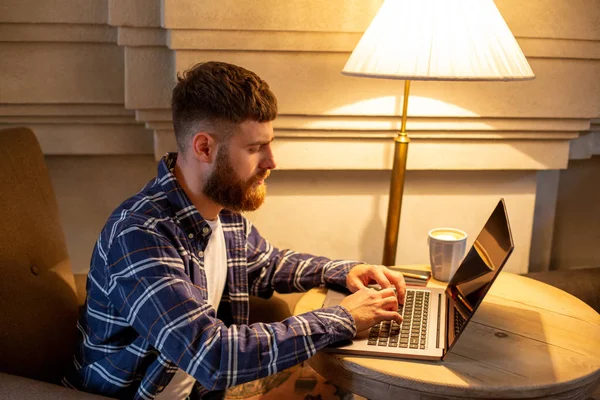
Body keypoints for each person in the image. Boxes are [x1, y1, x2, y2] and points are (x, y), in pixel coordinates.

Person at [62, 61, 406, 400]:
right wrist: (343, 318)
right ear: (204, 148)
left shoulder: (222, 214)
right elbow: (211, 357)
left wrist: (345, 271)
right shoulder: (140, 235)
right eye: (256, 148)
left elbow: (268, 265)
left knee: (339, 389)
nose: (272, 162)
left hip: (202, 394)